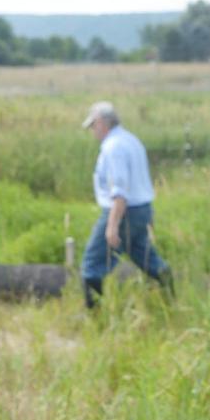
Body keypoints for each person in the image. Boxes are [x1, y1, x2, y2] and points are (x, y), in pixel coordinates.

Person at [80, 101, 173, 308]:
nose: (93, 131)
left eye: (93, 126)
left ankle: (95, 315)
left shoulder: (113, 147)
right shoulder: (131, 140)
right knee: (147, 258)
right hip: (143, 209)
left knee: (91, 266)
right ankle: (172, 299)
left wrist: (112, 225)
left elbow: (120, 191)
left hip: (123, 212)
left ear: (103, 123)